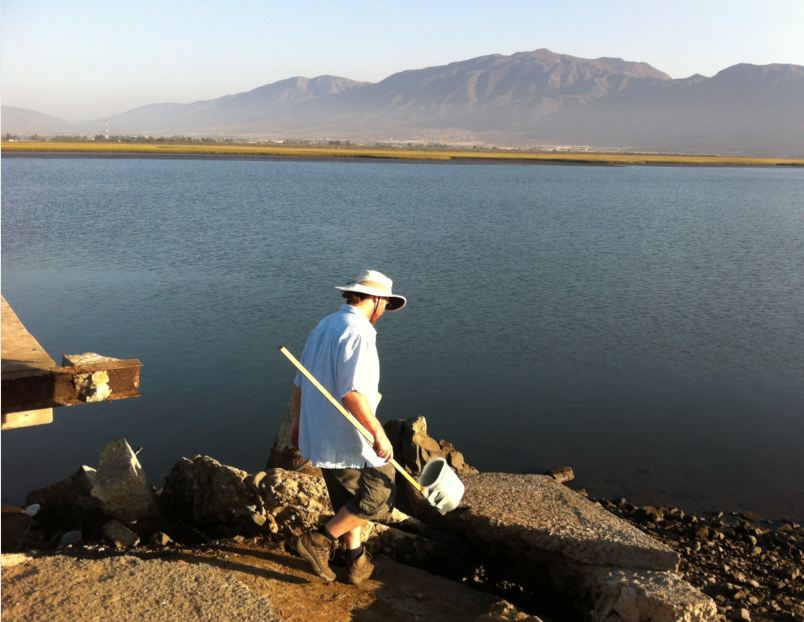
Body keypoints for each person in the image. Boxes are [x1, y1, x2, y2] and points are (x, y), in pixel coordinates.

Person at [290, 269, 406, 585]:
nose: (384, 311)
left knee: (348, 498)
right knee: (381, 492)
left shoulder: (324, 325)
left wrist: (298, 425)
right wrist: (378, 432)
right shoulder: (360, 332)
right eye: (386, 304)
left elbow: (300, 381)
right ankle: (317, 541)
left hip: (322, 430)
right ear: (378, 300)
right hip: (348, 433)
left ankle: (355, 561)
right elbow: (352, 393)